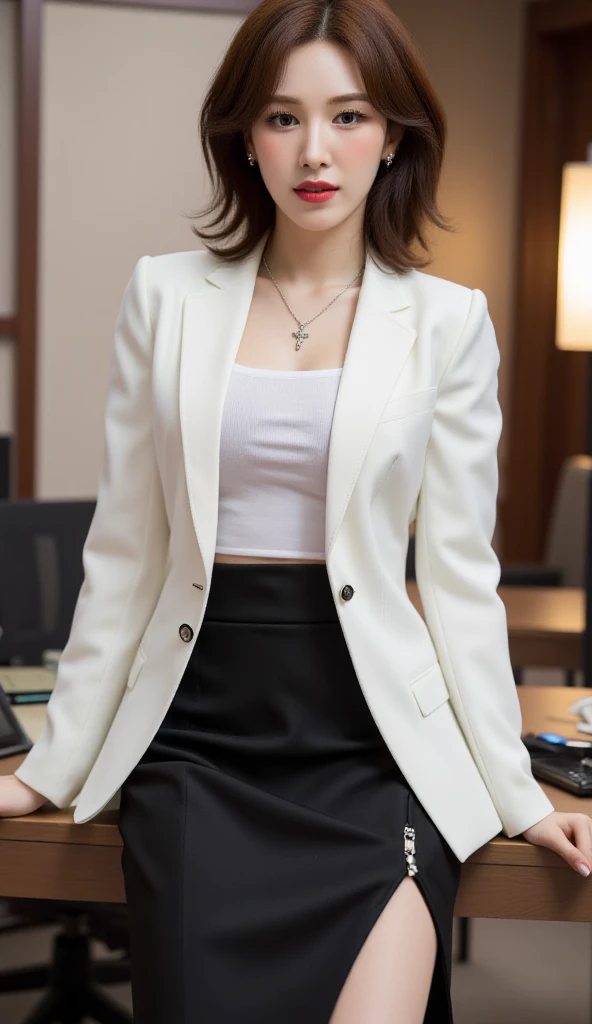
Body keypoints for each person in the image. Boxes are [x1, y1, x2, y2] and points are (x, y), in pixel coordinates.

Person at [2, 1, 592, 1021]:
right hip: (199, 734)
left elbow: (457, 578)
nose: (314, 151)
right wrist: (49, 766)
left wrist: (518, 790)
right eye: (281, 118)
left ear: (395, 133)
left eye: (349, 116)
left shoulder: (449, 323)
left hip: (369, 737)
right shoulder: (164, 295)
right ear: (243, 136)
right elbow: (126, 556)